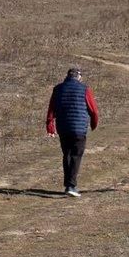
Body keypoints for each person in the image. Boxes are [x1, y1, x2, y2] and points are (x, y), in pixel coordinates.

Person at [45, 67, 99, 197]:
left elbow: (51, 109)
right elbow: (93, 110)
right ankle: (71, 186)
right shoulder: (85, 89)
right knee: (76, 155)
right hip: (79, 128)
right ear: (78, 77)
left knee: (67, 155)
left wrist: (50, 126)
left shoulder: (58, 89)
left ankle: (68, 185)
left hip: (63, 127)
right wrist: (93, 124)